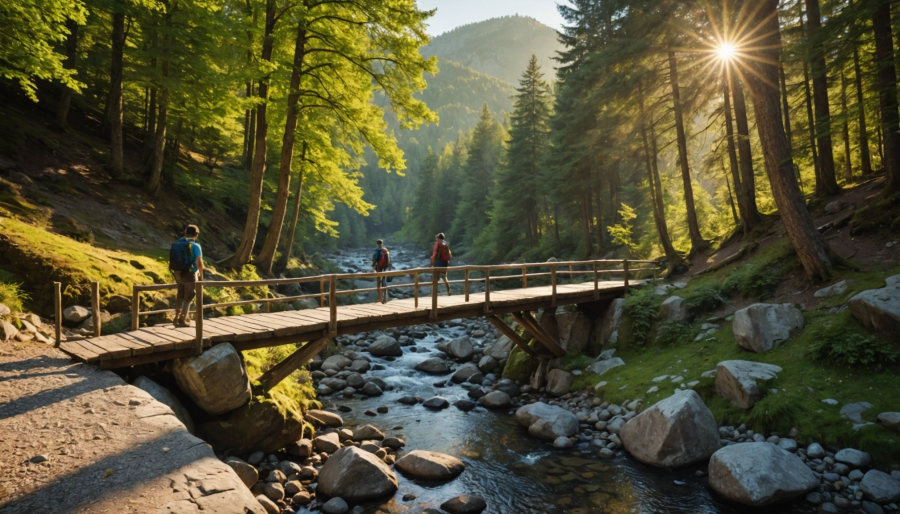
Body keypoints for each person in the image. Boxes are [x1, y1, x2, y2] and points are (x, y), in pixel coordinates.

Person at [168, 224, 204, 327]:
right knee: (188, 296)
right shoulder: (195, 245)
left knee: (180, 294)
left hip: (177, 272)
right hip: (189, 273)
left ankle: (175, 318)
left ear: (185, 233)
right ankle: (183, 319)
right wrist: (201, 276)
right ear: (196, 234)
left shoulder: (178, 243)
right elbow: (199, 263)